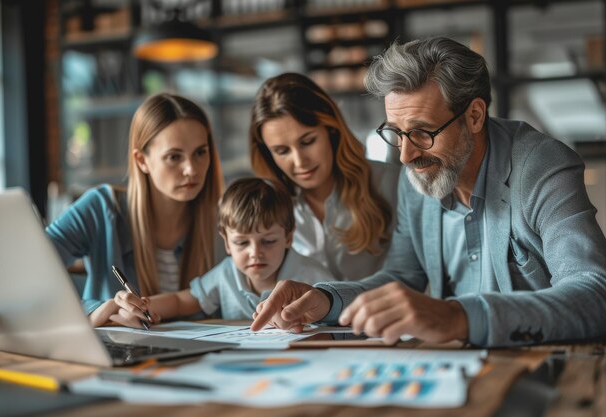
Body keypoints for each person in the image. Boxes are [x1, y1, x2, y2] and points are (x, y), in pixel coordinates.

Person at [251, 37, 606, 347]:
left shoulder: (542, 167)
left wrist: (457, 317)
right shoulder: (420, 174)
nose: (405, 155)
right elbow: (403, 276)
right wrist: (327, 301)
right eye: (396, 132)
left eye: (423, 132)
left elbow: (596, 294)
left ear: (474, 116)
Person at [46, 93, 223, 327]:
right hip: (118, 357)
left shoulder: (226, 219)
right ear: (141, 160)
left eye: (200, 152)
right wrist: (98, 310)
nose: (191, 169)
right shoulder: (100, 208)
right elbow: (27, 275)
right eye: (174, 157)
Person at [94, 177, 335, 326]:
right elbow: (181, 301)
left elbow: (340, 318)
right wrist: (143, 306)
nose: (255, 253)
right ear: (227, 244)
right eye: (242, 243)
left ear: (288, 238)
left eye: (268, 241)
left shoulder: (312, 277)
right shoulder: (226, 274)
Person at [249, 73, 400, 280]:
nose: (300, 161)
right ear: (268, 154)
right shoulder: (268, 206)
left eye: (308, 141)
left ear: (332, 130)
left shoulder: (390, 182)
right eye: (282, 151)